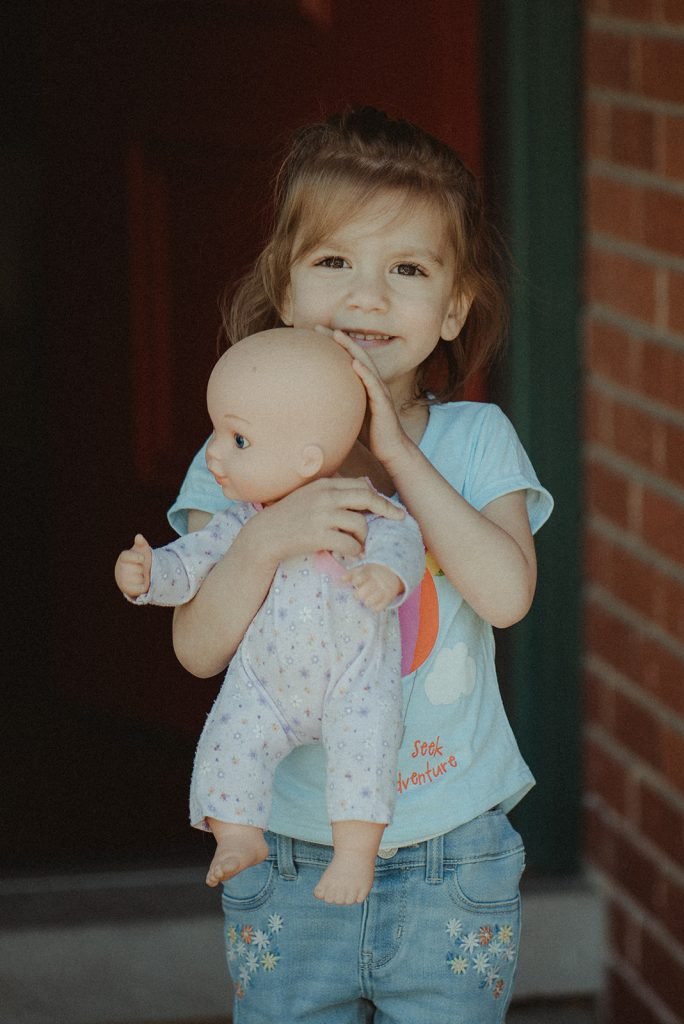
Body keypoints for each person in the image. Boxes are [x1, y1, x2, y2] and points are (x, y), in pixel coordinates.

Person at [168, 107, 553, 1022]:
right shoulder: (242, 453)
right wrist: (264, 533)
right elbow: (196, 648)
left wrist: (401, 456)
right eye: (334, 261)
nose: (368, 297)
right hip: (292, 849)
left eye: (408, 270)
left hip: (451, 849)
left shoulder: (472, 439)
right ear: (286, 288)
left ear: (453, 306)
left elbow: (505, 598)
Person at [115, 329, 425, 904]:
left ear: (307, 457)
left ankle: (354, 854)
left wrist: (388, 575)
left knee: (367, 748)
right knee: (228, 740)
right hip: (266, 686)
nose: (213, 454)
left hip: (351, 681)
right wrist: (150, 574)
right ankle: (237, 835)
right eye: (216, 432)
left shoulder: (357, 501)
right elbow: (192, 562)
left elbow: (400, 536)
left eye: (237, 439)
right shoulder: (240, 522)